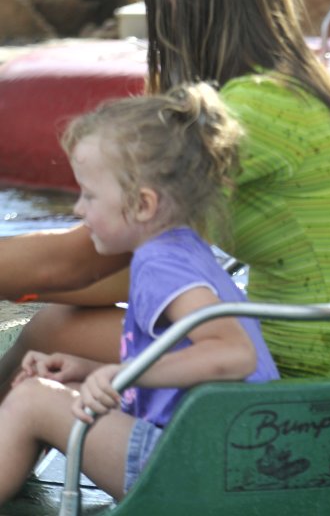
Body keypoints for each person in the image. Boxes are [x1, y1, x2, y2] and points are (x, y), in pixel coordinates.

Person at [0, 0, 330, 380]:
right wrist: (19, 285)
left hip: (317, 354)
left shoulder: (248, 113)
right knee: (60, 319)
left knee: (50, 332)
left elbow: (74, 264)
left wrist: (26, 281)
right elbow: (123, 267)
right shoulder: (290, 89)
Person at [0, 84, 279, 504]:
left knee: (33, 400)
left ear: (144, 205)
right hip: (220, 447)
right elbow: (178, 362)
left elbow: (234, 355)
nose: (78, 210)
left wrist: (121, 374)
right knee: (45, 386)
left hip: (205, 467)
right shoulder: (176, 249)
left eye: (90, 196)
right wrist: (85, 368)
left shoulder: (161, 265)